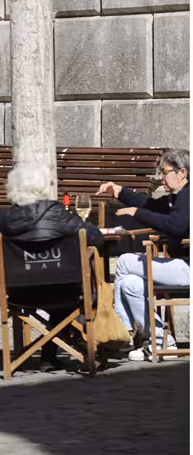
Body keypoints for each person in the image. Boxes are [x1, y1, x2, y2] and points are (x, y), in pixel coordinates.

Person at [0, 161, 105, 371]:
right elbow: (95, 237)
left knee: (53, 280)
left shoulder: (4, 220)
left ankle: (47, 355)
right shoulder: (56, 213)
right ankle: (82, 348)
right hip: (65, 290)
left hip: (19, 293)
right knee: (65, 280)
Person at [99, 148, 190, 361]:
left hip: (188, 266)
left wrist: (136, 213)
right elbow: (150, 205)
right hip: (180, 265)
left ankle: (122, 332)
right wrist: (120, 191)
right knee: (131, 282)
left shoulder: (189, 196)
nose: (161, 178)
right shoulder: (177, 197)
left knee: (125, 261)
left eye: (165, 172)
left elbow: (176, 226)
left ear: (182, 173)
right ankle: (160, 342)